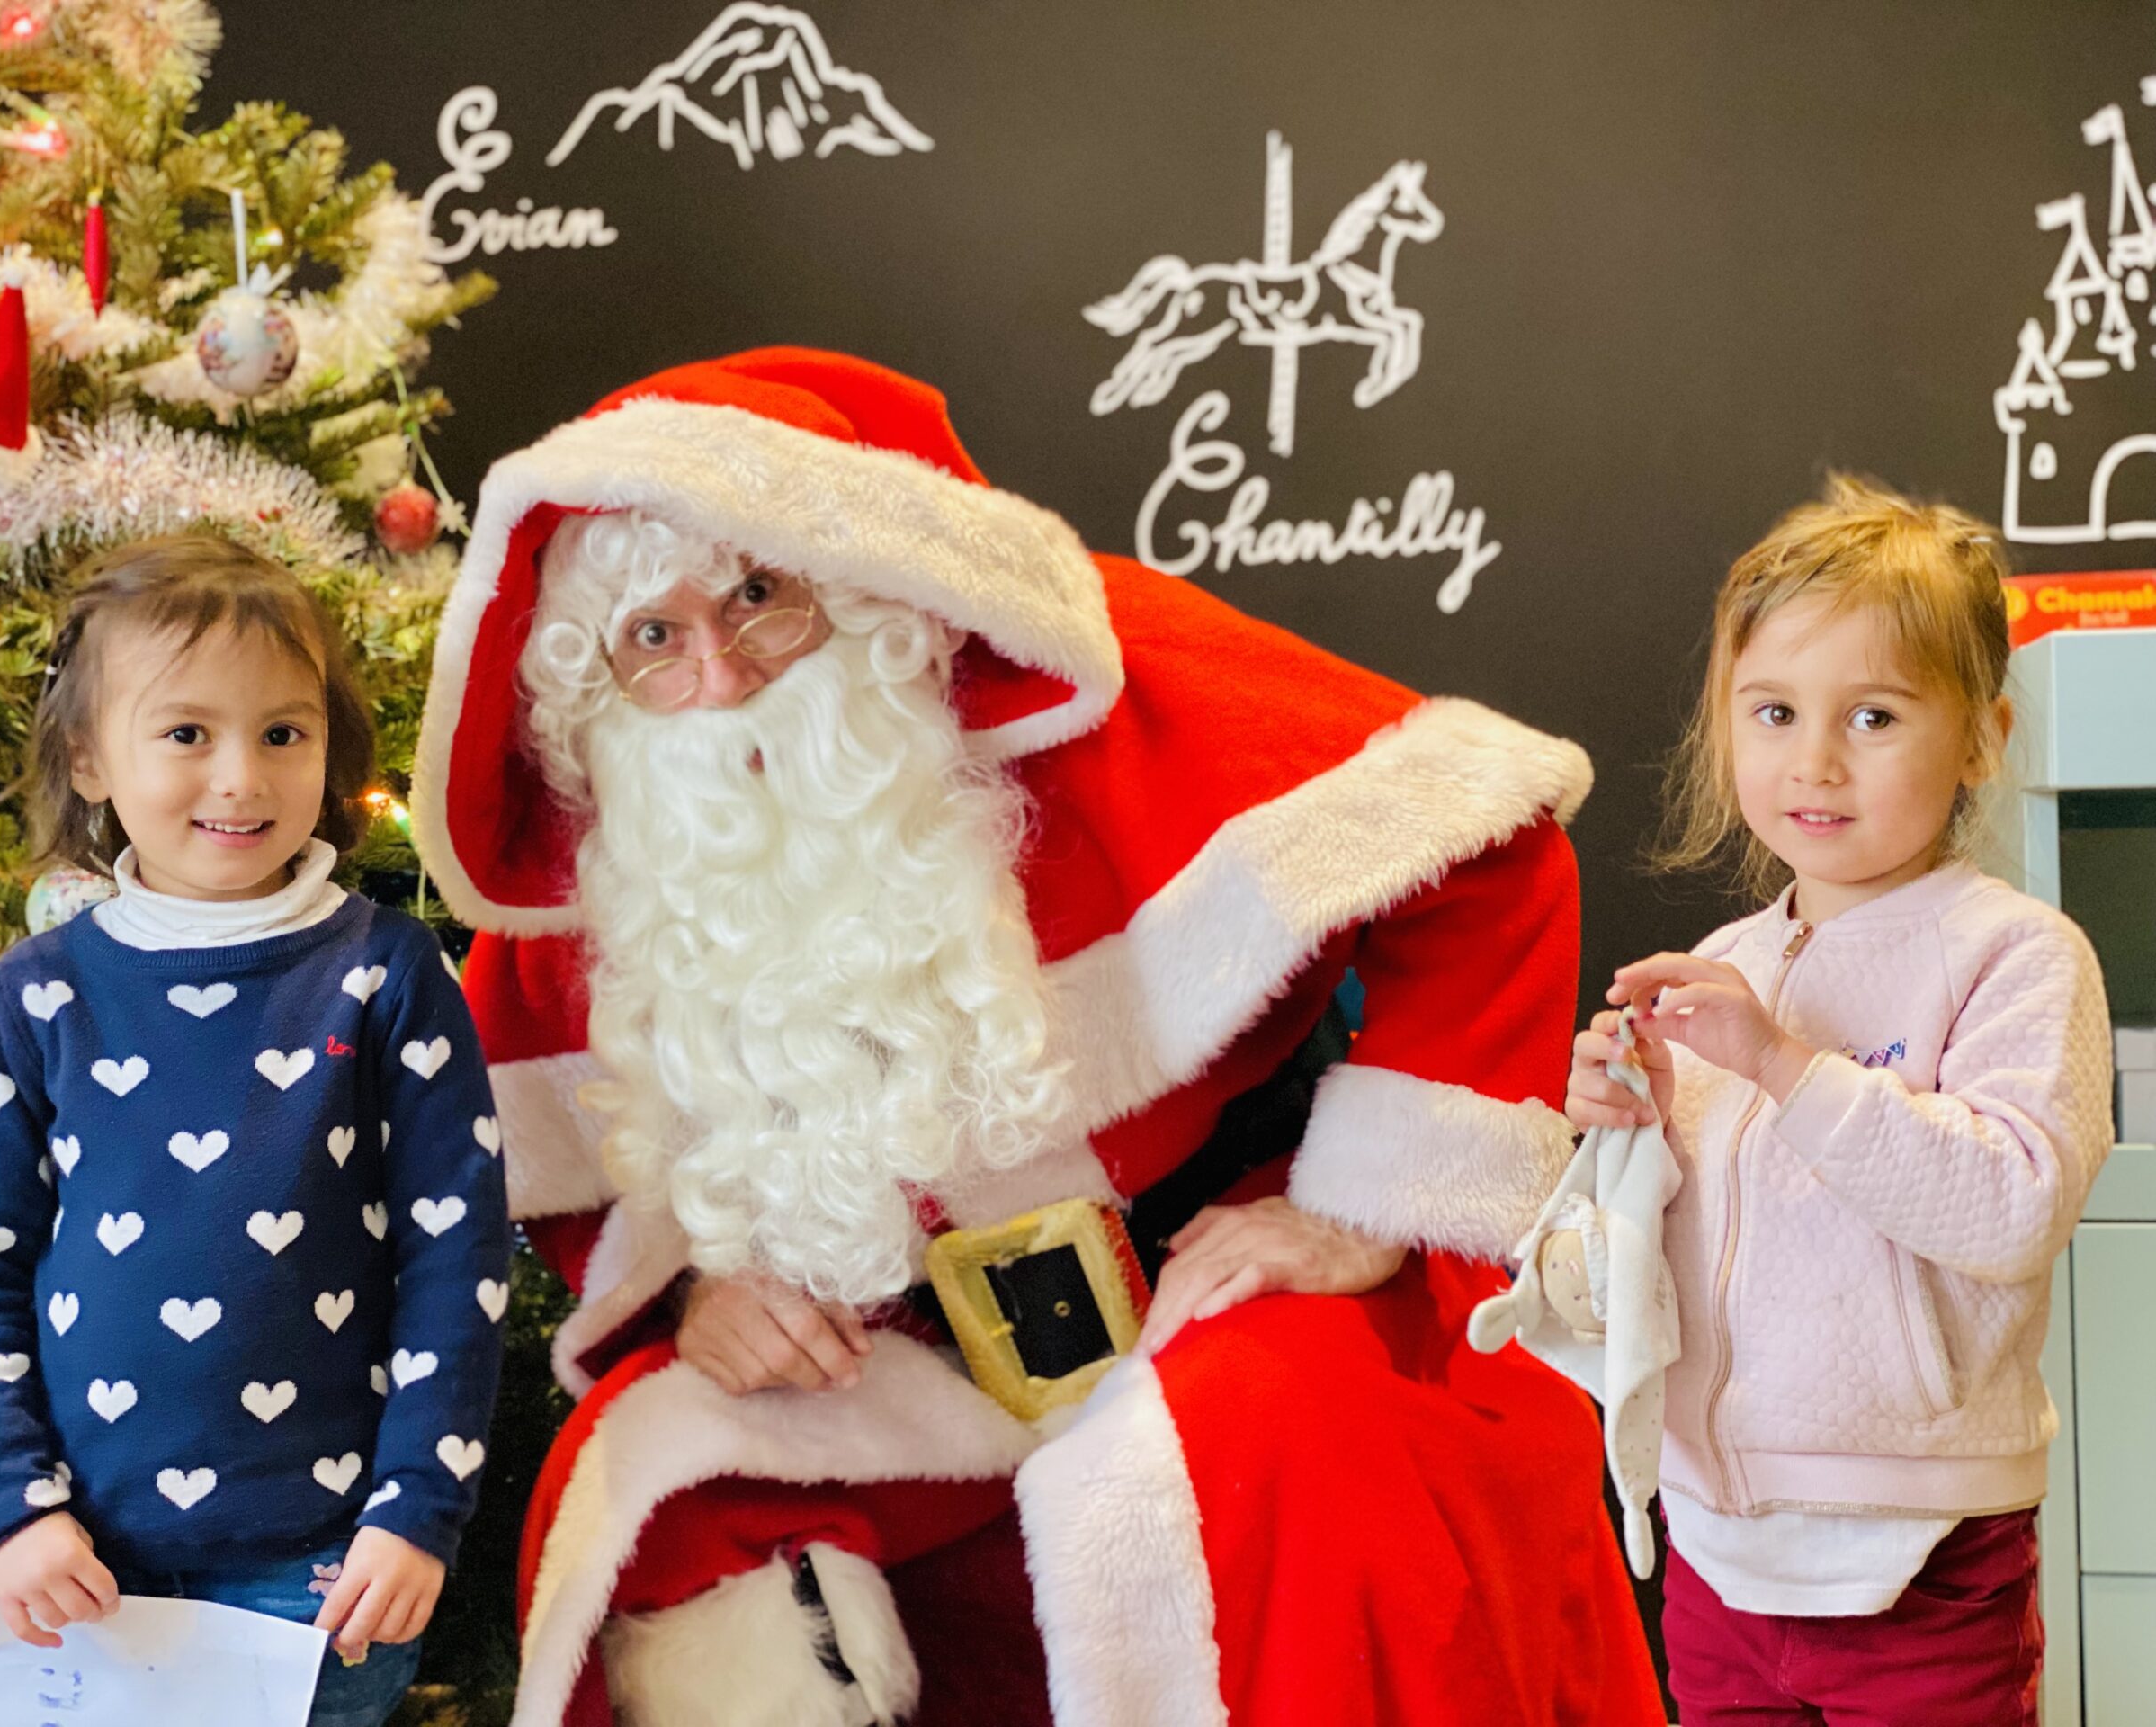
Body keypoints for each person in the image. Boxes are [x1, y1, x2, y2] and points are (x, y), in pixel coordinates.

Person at [413, 348, 1662, 1727]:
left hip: (1211, 1275)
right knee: (652, 1482)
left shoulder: (1084, 674)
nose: (722, 670)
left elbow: (1485, 835)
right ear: (595, 683)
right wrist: (701, 1298)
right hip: (912, 1362)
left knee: (1266, 1460)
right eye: (653, 639)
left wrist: (1360, 1210)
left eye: (758, 596)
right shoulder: (615, 868)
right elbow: (573, 1164)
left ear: (845, 574)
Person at [0, 535, 511, 1727]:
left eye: (282, 734)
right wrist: (10, 1510)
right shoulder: (42, 994)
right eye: (187, 734)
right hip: (84, 1569)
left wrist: (414, 1510)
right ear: (91, 759)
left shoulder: (387, 975)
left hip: (324, 1574)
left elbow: (457, 1268)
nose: (240, 778)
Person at [1564, 476, 2114, 1726]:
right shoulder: (1734, 964)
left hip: (1920, 1548)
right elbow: (1674, 1254)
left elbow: (2013, 1206)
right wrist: (1622, 1133)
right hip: (1718, 1539)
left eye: (1872, 714)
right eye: (1773, 711)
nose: (1813, 760)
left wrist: (1782, 1068)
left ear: (1980, 737)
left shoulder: (2018, 955)